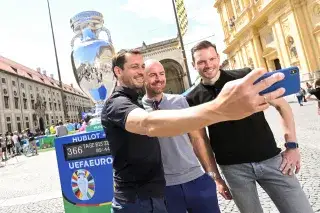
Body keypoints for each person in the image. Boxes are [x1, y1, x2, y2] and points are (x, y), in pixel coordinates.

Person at [101, 49, 285, 213]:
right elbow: (148, 124)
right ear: (118, 71)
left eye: (142, 66)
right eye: (135, 67)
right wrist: (219, 109)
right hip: (141, 198)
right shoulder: (119, 104)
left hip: (160, 193)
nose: (141, 71)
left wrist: (212, 175)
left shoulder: (138, 101)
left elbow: (198, 139)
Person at [186, 40, 313, 213]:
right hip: (234, 171)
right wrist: (215, 177)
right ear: (194, 65)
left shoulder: (245, 77)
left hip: (272, 160)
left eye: (211, 59)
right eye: (201, 62)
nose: (208, 65)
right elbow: (200, 140)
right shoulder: (193, 98)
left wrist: (292, 146)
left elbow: (283, 106)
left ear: (218, 58)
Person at [141, 59, 228, 213]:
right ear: (143, 78)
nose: (159, 78)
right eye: (153, 75)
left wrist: (213, 176)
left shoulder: (180, 102)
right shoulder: (137, 110)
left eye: (161, 74)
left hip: (196, 180)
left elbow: (197, 139)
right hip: (165, 188)